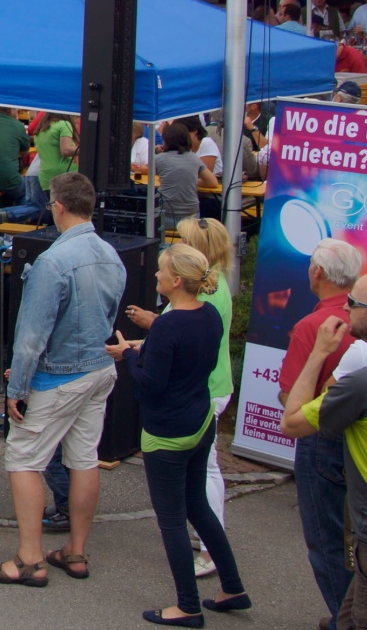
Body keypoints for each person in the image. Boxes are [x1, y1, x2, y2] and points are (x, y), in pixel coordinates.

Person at [0, 172, 122, 587]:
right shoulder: (110, 254)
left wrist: (16, 388)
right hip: (98, 369)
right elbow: (106, 317)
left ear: (58, 207)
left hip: (59, 375)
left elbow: (31, 336)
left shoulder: (53, 261)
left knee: (23, 458)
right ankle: (75, 551)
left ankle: (29, 559)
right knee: (83, 458)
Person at [105, 245, 248, 624]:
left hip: (168, 432)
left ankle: (187, 605)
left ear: (177, 281)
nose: (156, 275)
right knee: (197, 505)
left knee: (171, 519)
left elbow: (149, 386)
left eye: (161, 271)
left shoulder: (168, 325)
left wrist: (128, 354)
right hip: (201, 420)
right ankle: (232, 586)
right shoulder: (209, 315)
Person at [280, 272, 367, 630]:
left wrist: (319, 352)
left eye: (352, 303)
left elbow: (291, 422)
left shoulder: (366, 385)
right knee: (347, 619)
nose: (345, 309)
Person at [125, 218, 238, 579]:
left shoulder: (206, 296)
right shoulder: (208, 289)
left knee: (199, 482)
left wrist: (142, 341)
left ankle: (206, 556)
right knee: (200, 482)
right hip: (203, 392)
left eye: (183, 241)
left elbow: (175, 348)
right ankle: (219, 563)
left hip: (198, 396)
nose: (175, 245)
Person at [279, 237, 363, 629]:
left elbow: (290, 398)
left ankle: (346, 619)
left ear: (318, 273)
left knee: (326, 540)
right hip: (366, 440)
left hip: (322, 438)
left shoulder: (313, 326)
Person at [150, 122, 218, 233]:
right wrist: (190, 180)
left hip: (165, 214)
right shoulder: (194, 158)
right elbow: (212, 182)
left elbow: (148, 175)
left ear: (165, 141)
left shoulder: (159, 159)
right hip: (191, 217)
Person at [30, 112, 79, 204]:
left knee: (55, 208)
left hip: (46, 177)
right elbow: (65, 150)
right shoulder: (64, 124)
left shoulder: (41, 129)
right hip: (65, 176)